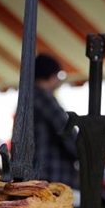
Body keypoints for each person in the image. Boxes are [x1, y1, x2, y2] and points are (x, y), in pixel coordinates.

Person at [29, 54, 79, 189]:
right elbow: (68, 132)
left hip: (34, 175)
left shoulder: (28, 97)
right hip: (50, 177)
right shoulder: (43, 98)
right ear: (52, 76)